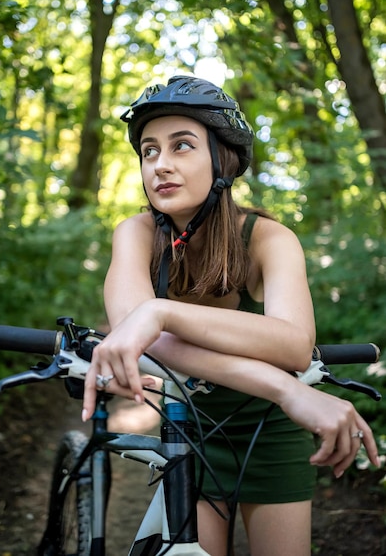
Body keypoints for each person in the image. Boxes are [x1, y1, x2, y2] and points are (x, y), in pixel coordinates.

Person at [82, 75, 380, 556]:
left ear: (222, 159)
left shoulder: (267, 239)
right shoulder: (135, 234)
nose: (161, 164)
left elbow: (292, 344)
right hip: (189, 424)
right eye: (149, 151)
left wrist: (160, 312)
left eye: (182, 146)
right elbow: (145, 341)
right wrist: (287, 388)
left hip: (271, 429)